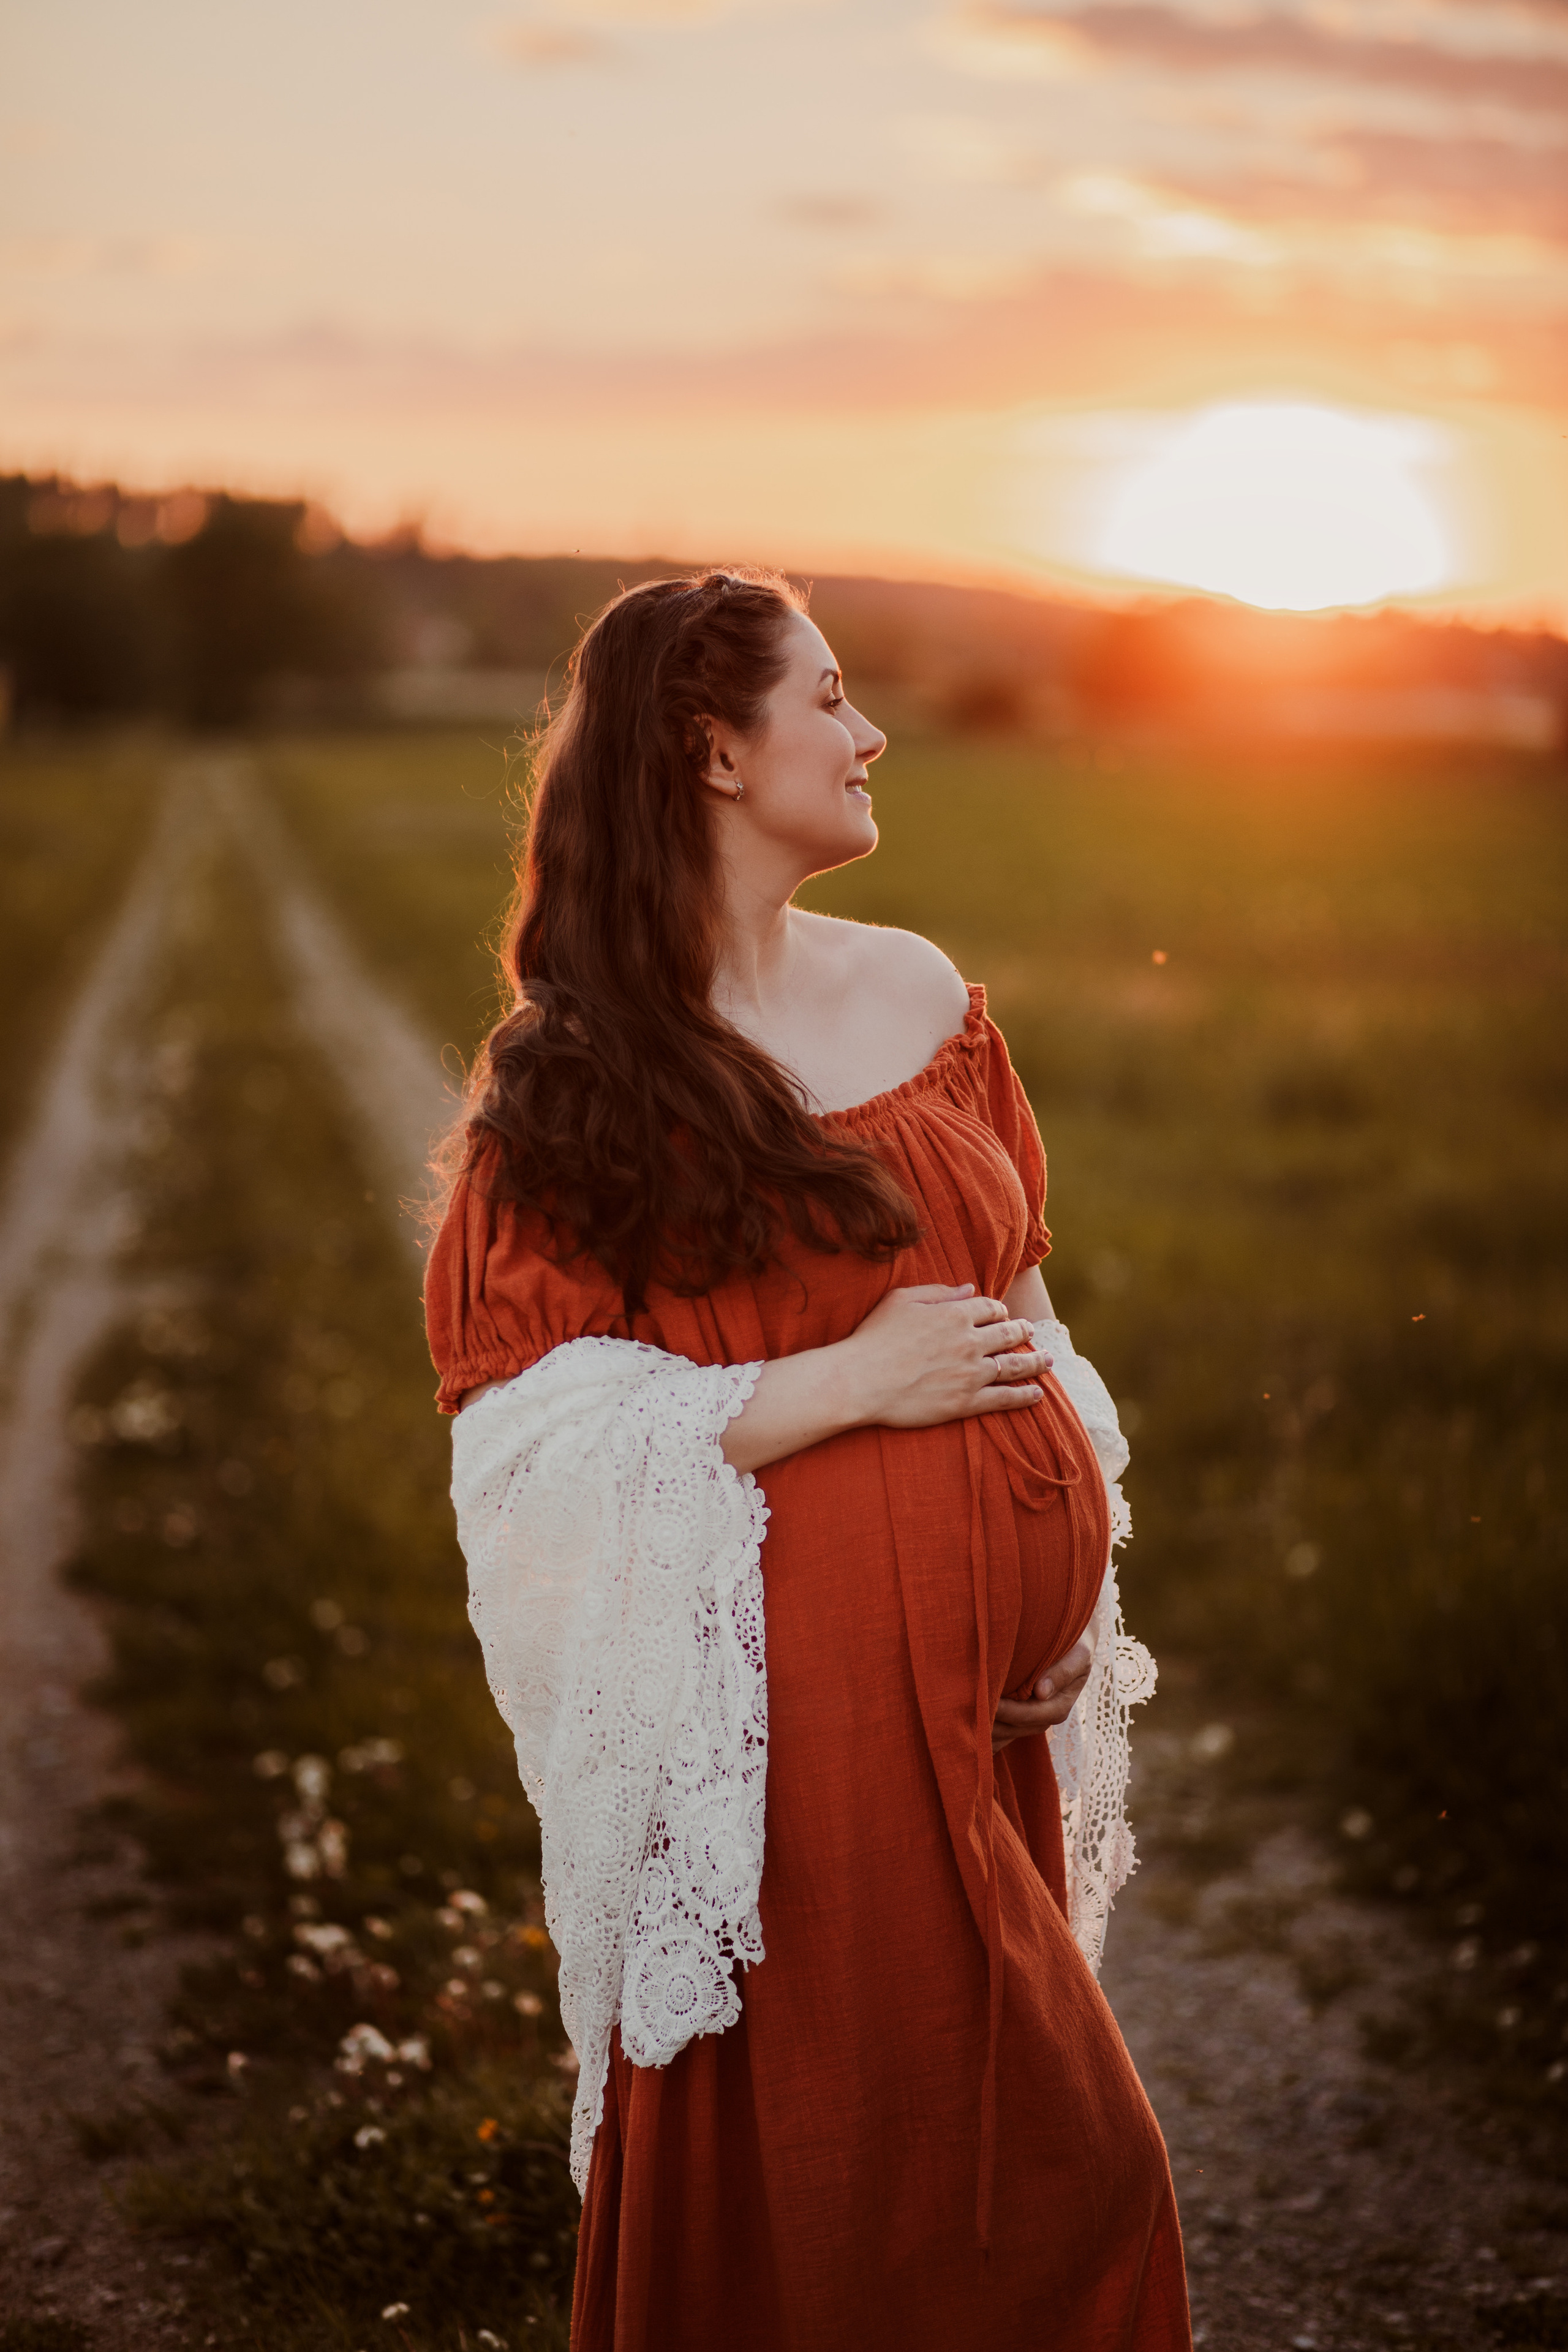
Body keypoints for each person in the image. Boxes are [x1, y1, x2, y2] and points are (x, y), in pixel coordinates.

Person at [424, 568, 1190, 2350]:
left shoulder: (923, 991)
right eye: (830, 699)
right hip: (791, 1711)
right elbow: (529, 1442)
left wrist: (1062, 1595)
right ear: (709, 749)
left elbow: (1025, 1320)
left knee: (1001, 2145)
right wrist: (842, 1383)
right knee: (945, 2160)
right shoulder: (580, 1079)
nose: (873, 735)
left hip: (976, 1703)